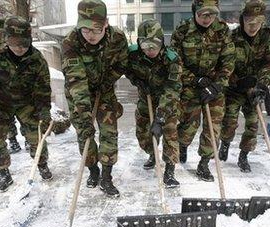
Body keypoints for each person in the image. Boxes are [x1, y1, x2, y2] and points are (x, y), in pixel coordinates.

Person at [0, 16, 53, 192]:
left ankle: (41, 164)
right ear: (6, 38)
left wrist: (44, 112)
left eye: (24, 44)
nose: (19, 48)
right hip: (1, 102)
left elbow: (43, 88)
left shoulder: (36, 59)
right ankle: (3, 173)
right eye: (14, 43)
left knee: (37, 135)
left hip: (27, 102)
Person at [62, 0, 128, 196]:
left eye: (96, 30)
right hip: (79, 94)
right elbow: (76, 80)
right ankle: (93, 170)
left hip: (104, 90)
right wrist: (83, 111)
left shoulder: (117, 38)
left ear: (106, 23)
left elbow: (122, 62)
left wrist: (108, 80)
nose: (90, 35)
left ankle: (107, 177)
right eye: (85, 30)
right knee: (85, 134)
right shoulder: (70, 42)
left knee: (109, 132)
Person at [170, 0, 235, 181]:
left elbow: (229, 60)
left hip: (214, 87)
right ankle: (183, 145)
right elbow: (175, 62)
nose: (208, 19)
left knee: (213, 127)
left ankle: (204, 163)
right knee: (188, 125)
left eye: (212, 14)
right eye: (203, 14)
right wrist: (194, 79)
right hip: (190, 86)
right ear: (194, 12)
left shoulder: (222, 31)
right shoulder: (182, 31)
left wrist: (218, 84)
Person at [218, 0, 270, 172]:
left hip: (254, 90)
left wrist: (262, 84)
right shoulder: (231, 37)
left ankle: (244, 156)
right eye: (250, 22)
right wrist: (235, 80)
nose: (254, 27)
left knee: (253, 124)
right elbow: (224, 63)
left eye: (258, 22)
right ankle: (225, 143)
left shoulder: (267, 37)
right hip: (234, 89)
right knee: (229, 122)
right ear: (242, 19)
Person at [126, 19, 182, 188]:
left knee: (170, 133)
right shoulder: (133, 54)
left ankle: (170, 171)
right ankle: (152, 153)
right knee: (143, 135)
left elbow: (173, 88)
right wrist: (136, 80)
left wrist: (160, 118)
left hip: (167, 101)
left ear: (162, 42)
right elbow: (126, 69)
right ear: (139, 43)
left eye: (155, 45)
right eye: (145, 46)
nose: (150, 50)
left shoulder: (172, 59)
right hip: (146, 98)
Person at [0, 18, 23, 153]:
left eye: (1, 33)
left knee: (25, 117)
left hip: (19, 91)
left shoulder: (16, 47)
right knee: (7, 119)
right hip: (1, 93)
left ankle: (28, 140)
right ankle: (13, 141)